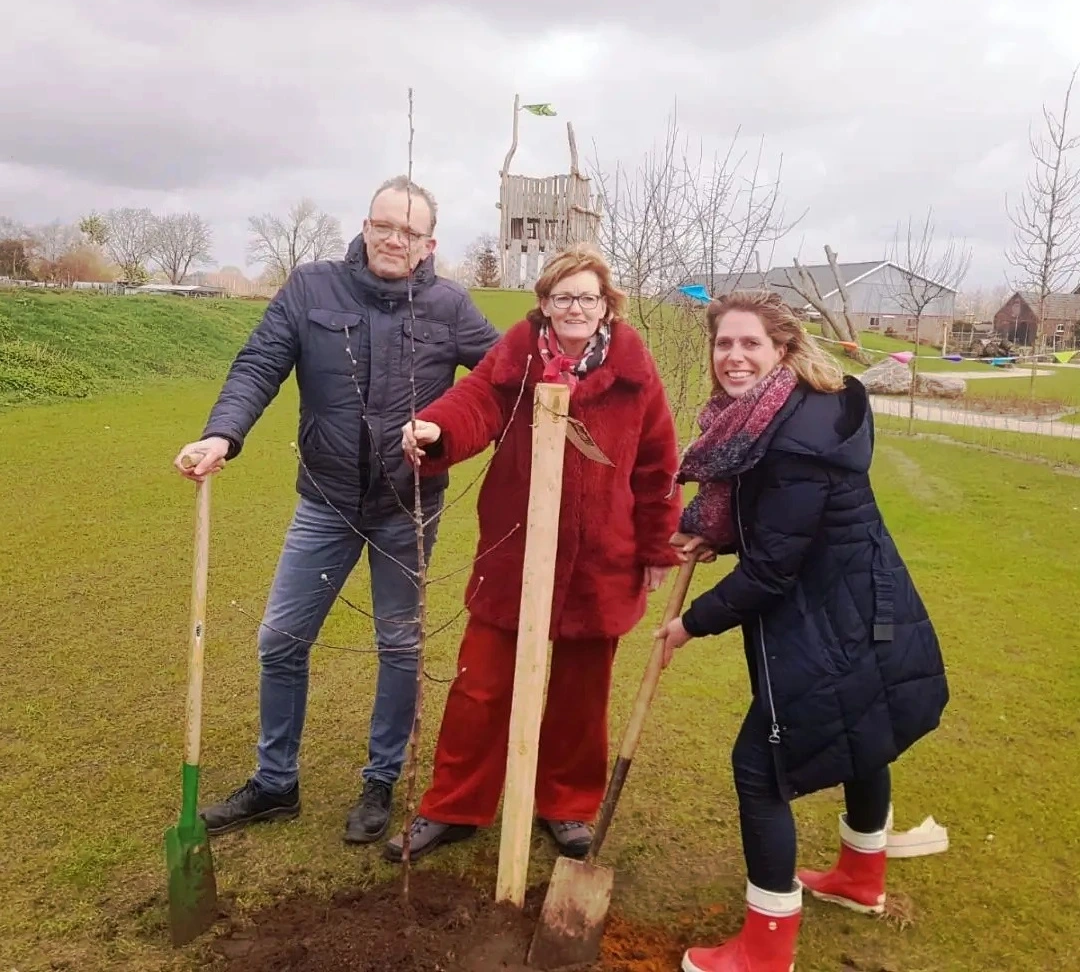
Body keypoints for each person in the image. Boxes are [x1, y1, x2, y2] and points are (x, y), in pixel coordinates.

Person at [172, 176, 501, 845]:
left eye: (408, 231)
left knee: (399, 645)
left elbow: (503, 379)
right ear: (365, 225)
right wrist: (221, 433)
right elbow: (259, 363)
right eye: (383, 224)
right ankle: (274, 782)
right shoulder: (311, 288)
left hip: (406, 508)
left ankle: (380, 780)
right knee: (281, 639)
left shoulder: (449, 306)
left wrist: (457, 428)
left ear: (428, 243)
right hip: (323, 503)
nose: (392, 238)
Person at [656, 290, 949, 972]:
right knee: (862, 735)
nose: (734, 356)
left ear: (782, 350)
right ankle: (860, 877)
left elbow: (772, 570)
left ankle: (764, 951)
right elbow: (781, 524)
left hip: (835, 618)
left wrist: (688, 625)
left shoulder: (791, 440)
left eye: (749, 343)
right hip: (862, 603)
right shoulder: (794, 409)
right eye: (724, 344)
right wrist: (714, 535)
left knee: (759, 767)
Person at [382, 243, 683, 862]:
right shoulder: (517, 356)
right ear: (545, 303)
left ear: (607, 307)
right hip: (514, 551)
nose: (576, 307)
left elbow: (657, 467)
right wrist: (435, 428)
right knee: (482, 687)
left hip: (602, 561)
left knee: (581, 694)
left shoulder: (635, 375)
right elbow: (477, 405)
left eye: (589, 297)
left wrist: (656, 545)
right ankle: (454, 805)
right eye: (564, 296)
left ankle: (567, 805)